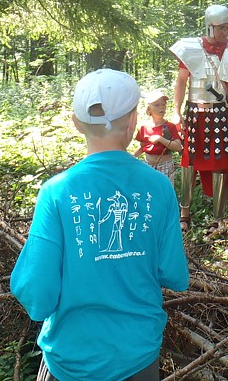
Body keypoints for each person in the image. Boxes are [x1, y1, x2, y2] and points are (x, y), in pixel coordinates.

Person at [11, 69, 189, 381]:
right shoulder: (159, 187)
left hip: (72, 358)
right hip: (138, 354)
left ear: (76, 123)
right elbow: (173, 273)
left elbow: (37, 293)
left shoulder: (57, 191)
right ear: (133, 122)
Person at [170, 5, 228, 233]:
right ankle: (185, 212)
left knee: (220, 162)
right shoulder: (191, 49)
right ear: (210, 26)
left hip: (222, 113)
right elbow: (182, 81)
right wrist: (176, 110)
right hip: (195, 112)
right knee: (189, 161)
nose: (226, 32)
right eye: (222, 28)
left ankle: (218, 218)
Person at [133, 89, 183, 180]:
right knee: (149, 191)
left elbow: (178, 147)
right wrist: (131, 157)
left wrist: (160, 139)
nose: (161, 107)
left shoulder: (170, 127)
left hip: (166, 166)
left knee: (165, 191)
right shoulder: (144, 128)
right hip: (148, 166)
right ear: (149, 109)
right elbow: (142, 147)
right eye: (157, 105)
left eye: (163, 104)